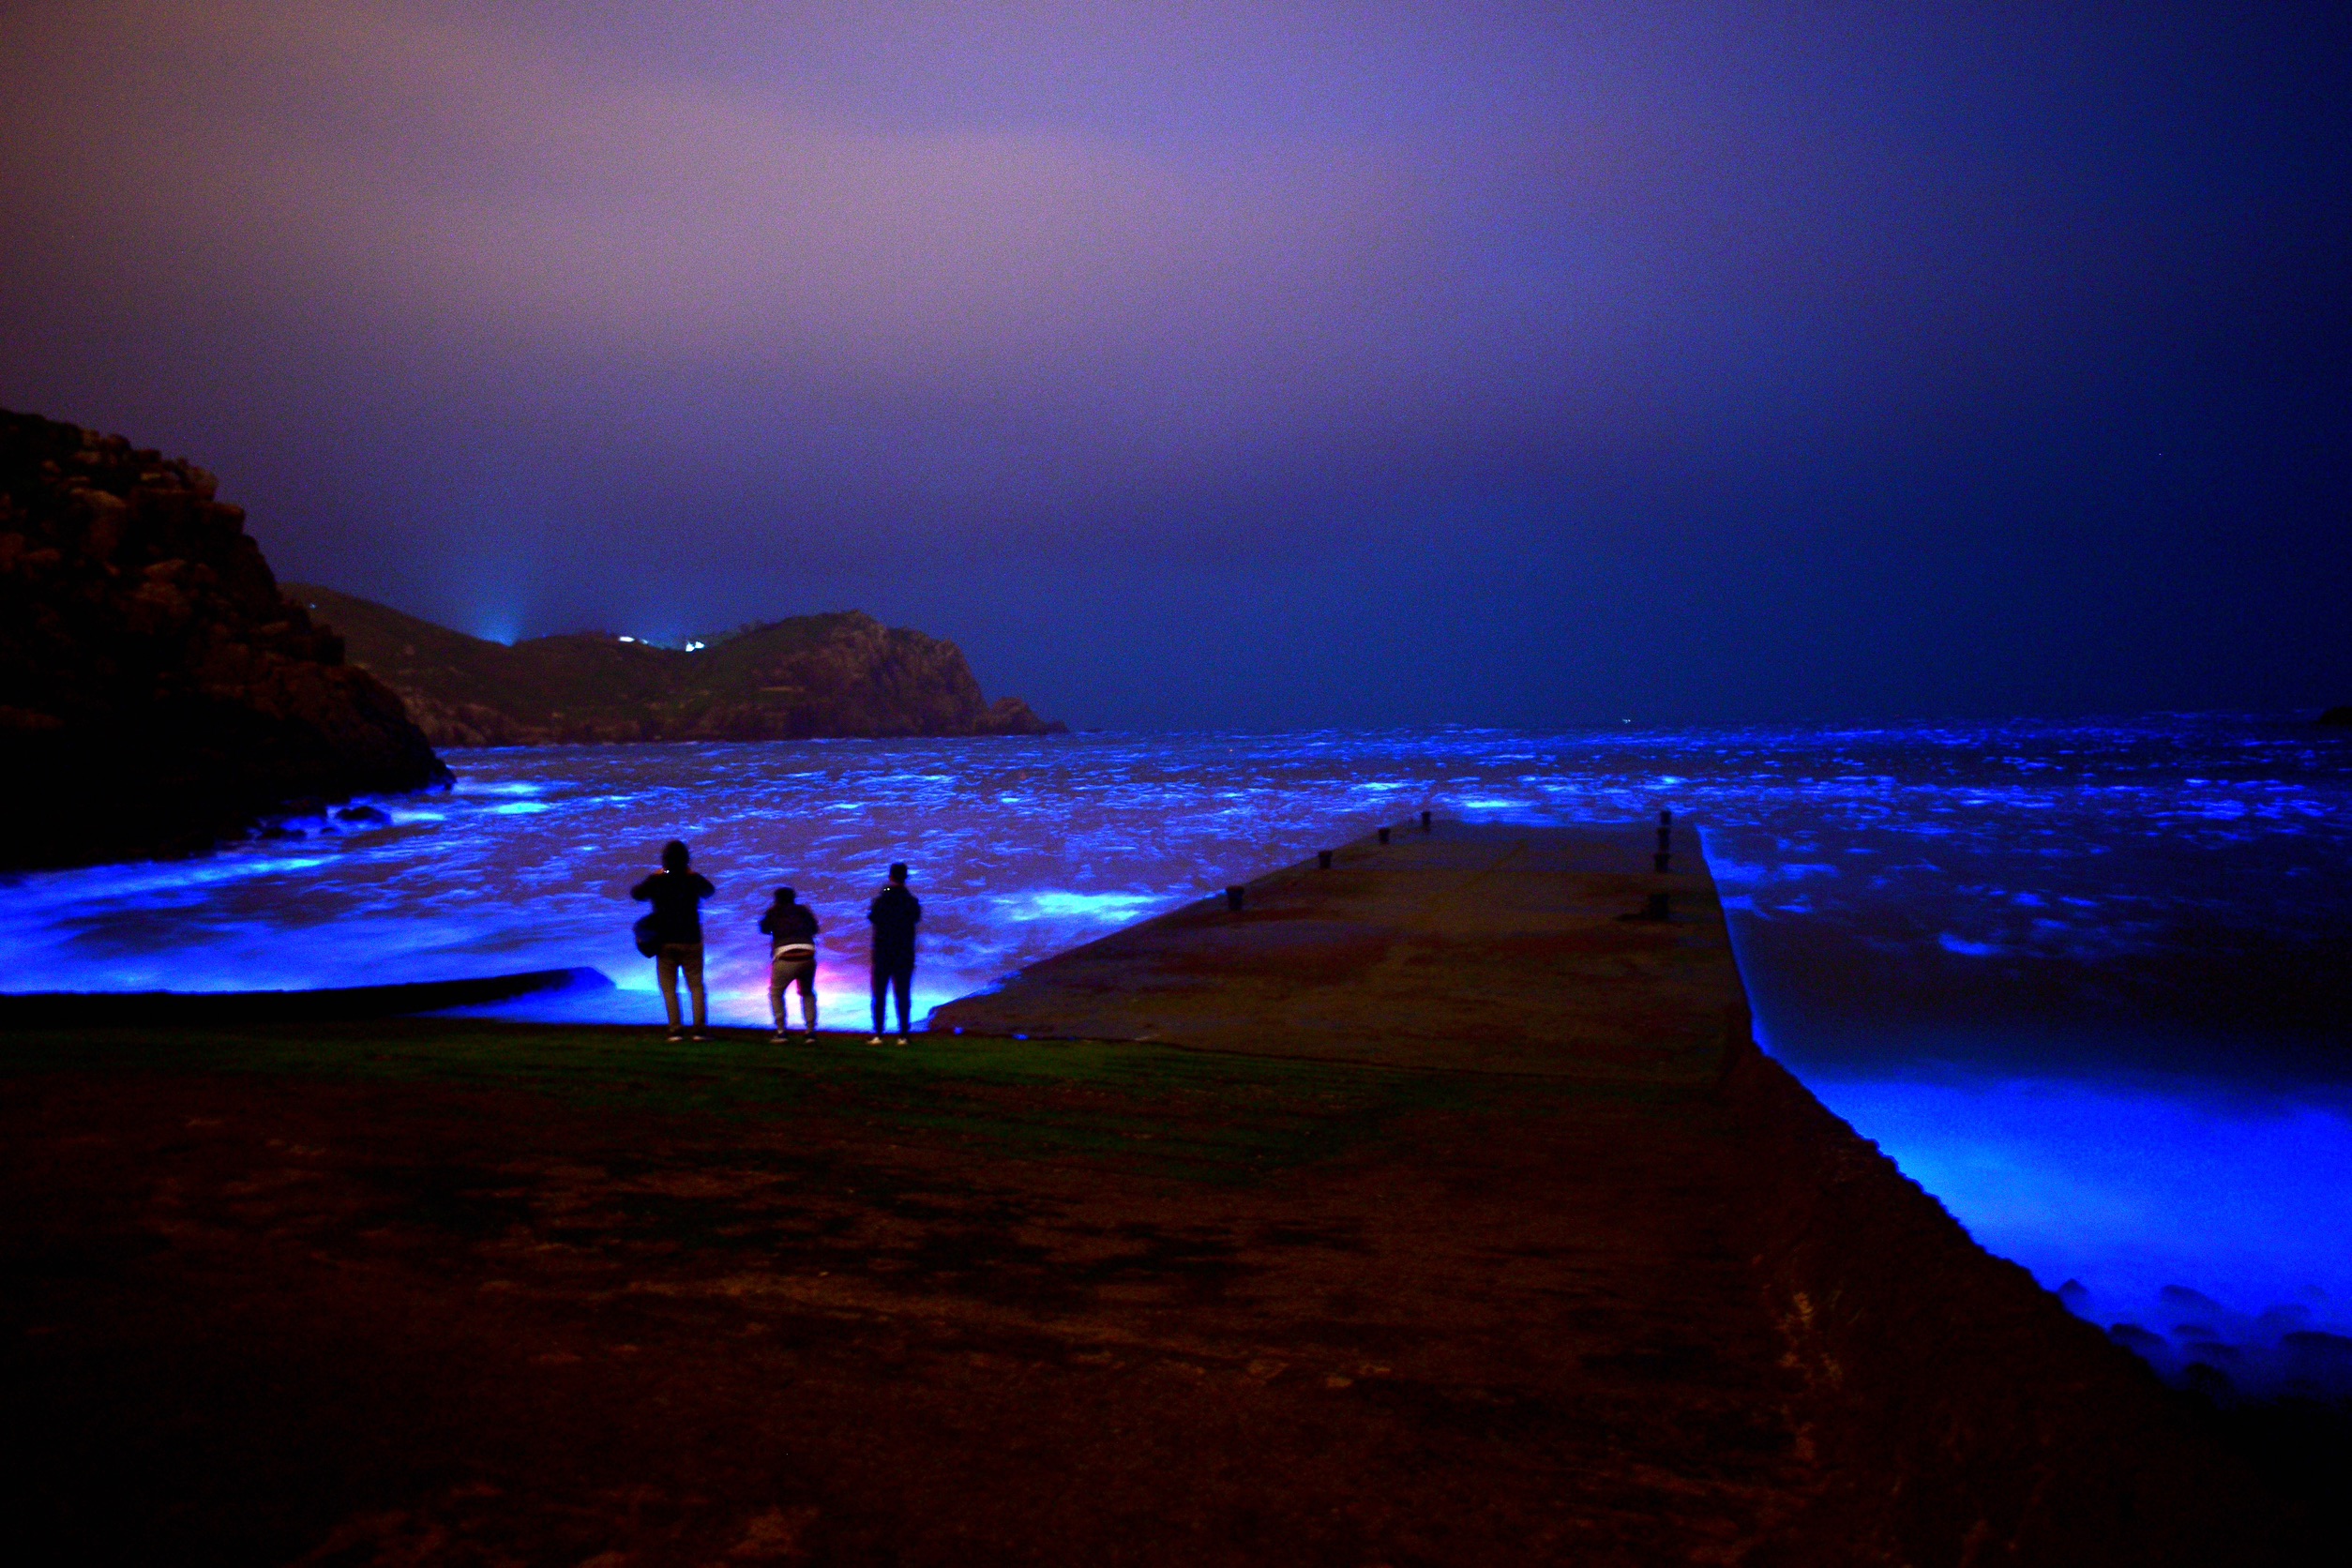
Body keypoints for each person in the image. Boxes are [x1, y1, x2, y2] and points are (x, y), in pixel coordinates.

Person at [632, 839, 714, 1041]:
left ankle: (675, 1030)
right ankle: (699, 1030)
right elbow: (709, 891)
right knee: (696, 986)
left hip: (665, 940)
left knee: (669, 988)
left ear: (665, 860)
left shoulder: (657, 879)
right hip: (691, 938)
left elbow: (637, 894)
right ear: (687, 859)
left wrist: (658, 874)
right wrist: (690, 873)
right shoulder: (692, 878)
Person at [867, 860, 921, 1045]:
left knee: (879, 994)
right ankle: (903, 1035)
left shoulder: (882, 899)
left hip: (883, 951)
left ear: (890, 876)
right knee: (903, 994)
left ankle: (878, 1034)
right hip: (904, 952)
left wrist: (886, 891)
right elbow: (915, 918)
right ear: (906, 877)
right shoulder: (911, 900)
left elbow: (873, 917)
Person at [758, 885, 821, 1042]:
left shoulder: (774, 911)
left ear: (776, 899)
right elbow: (815, 929)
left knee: (776, 992)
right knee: (807, 992)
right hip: (808, 954)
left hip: (785, 956)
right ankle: (810, 1032)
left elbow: (764, 929)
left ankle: (781, 1032)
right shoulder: (803, 910)